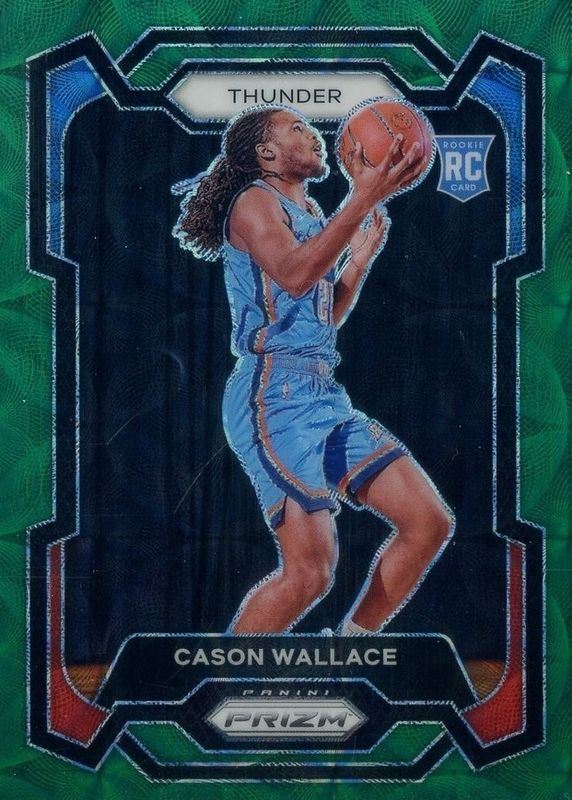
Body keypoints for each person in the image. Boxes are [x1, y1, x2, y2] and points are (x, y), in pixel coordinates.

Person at [173, 105, 454, 635]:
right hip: (271, 393)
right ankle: (222, 676)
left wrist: (358, 260)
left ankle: (350, 648)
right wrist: (362, 198)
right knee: (309, 573)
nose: (314, 135)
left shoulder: (312, 213)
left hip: (319, 388)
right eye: (297, 128)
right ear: (267, 153)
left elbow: (322, 314)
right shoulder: (255, 202)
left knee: (428, 522)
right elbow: (295, 275)